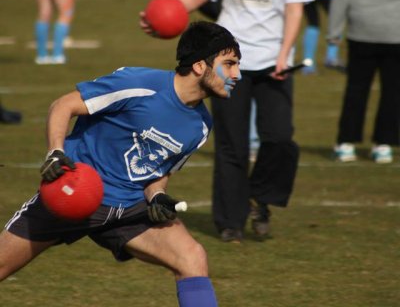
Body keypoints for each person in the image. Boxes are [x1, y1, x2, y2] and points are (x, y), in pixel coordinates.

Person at [0, 21, 241, 306]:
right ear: (200, 66)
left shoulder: (201, 125)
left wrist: (158, 195)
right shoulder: (138, 84)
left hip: (127, 209)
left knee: (192, 257)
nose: (237, 74)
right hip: (73, 194)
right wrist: (55, 152)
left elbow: (158, 172)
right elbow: (63, 106)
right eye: (230, 64)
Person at [140, 0, 314, 242]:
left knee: (279, 138)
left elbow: (295, 9)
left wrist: (283, 54)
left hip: (274, 63)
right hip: (229, 64)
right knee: (231, 144)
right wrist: (158, 15)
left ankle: (260, 199)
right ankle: (229, 221)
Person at [328, 0, 400, 163]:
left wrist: (334, 33)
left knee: (357, 88)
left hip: (362, 29)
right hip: (395, 30)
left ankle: (346, 142)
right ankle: (384, 144)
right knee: (393, 90)